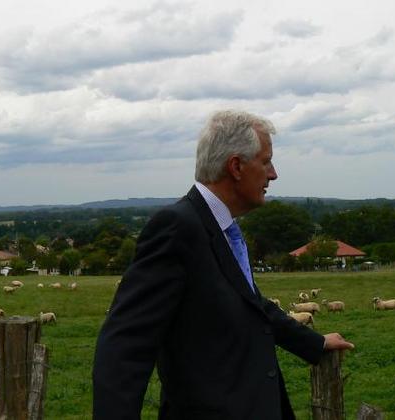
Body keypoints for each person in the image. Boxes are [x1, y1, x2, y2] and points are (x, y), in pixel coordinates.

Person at [92, 110, 354, 420]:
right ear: (236, 167)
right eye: (266, 161)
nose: (273, 174)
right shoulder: (177, 228)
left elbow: (252, 304)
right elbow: (124, 345)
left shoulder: (221, 228)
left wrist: (314, 341)